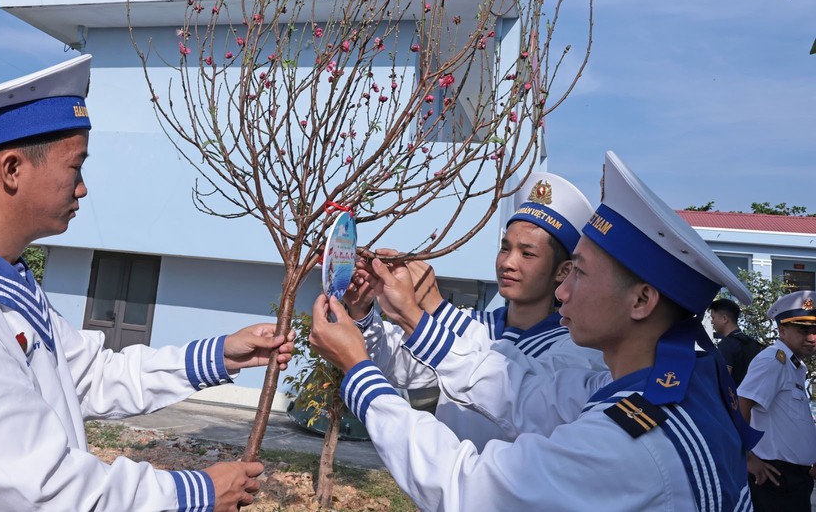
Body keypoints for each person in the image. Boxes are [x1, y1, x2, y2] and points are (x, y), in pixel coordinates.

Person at [0, 55, 293, 511]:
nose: (82, 187)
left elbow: (89, 376)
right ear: (12, 170)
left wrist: (218, 356)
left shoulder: (1, 284)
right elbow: (34, 488)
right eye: (75, 167)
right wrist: (193, 491)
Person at [310, 151, 759, 510]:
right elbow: (524, 392)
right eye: (506, 248)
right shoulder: (661, 382)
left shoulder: (629, 442)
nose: (564, 292)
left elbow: (469, 488)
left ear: (642, 301)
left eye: (578, 274)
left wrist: (358, 371)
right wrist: (410, 315)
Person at [344, 171, 603, 447]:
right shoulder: (473, 321)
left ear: (563, 271)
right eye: (505, 249)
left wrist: (436, 308)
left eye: (527, 254)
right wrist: (362, 310)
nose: (508, 263)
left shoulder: (576, 350)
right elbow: (396, 364)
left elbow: (510, 378)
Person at [737, 290, 816, 511]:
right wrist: (747, 458)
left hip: (795, 479)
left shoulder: (795, 367)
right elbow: (741, 404)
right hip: (775, 479)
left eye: (815, 330)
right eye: (803, 330)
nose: (812, 337)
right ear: (782, 330)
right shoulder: (772, 360)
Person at [709, 296, 764, 385]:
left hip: (736, 397)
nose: (712, 322)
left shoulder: (726, 344)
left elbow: (723, 381)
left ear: (724, 319)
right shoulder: (752, 342)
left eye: (713, 317)